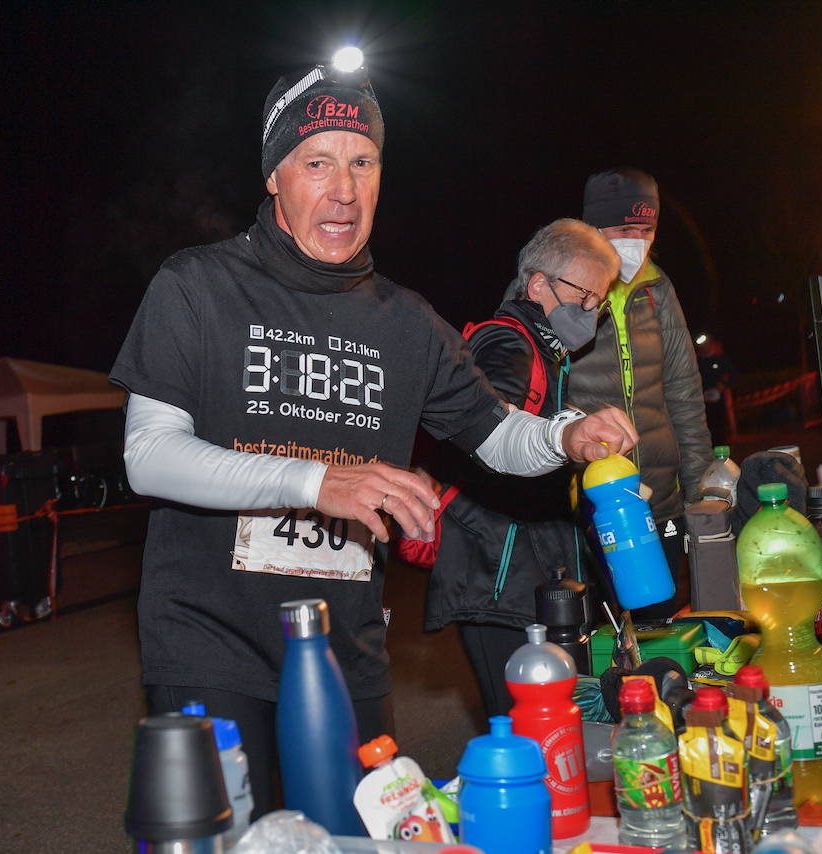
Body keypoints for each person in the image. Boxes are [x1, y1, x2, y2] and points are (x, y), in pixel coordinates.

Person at [109, 53, 638, 817]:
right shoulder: (196, 286)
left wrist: (566, 435)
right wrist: (315, 481)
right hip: (210, 641)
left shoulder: (407, 322)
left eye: (363, 163)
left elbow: (498, 438)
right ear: (275, 176)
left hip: (345, 648)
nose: (344, 190)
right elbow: (148, 456)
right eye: (317, 162)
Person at [419, 219, 621, 718]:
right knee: (522, 726)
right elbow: (488, 441)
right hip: (498, 574)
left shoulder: (546, 351)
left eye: (601, 301)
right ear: (538, 285)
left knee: (550, 725)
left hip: (523, 571)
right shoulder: (508, 343)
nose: (592, 312)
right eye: (584, 296)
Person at [563, 168, 712, 618]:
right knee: (595, 646)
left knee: (659, 634)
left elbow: (685, 396)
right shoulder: (558, 287)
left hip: (658, 501)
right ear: (592, 229)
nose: (636, 240)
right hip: (587, 504)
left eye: (646, 229)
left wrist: (702, 491)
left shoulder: (657, 288)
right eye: (624, 229)